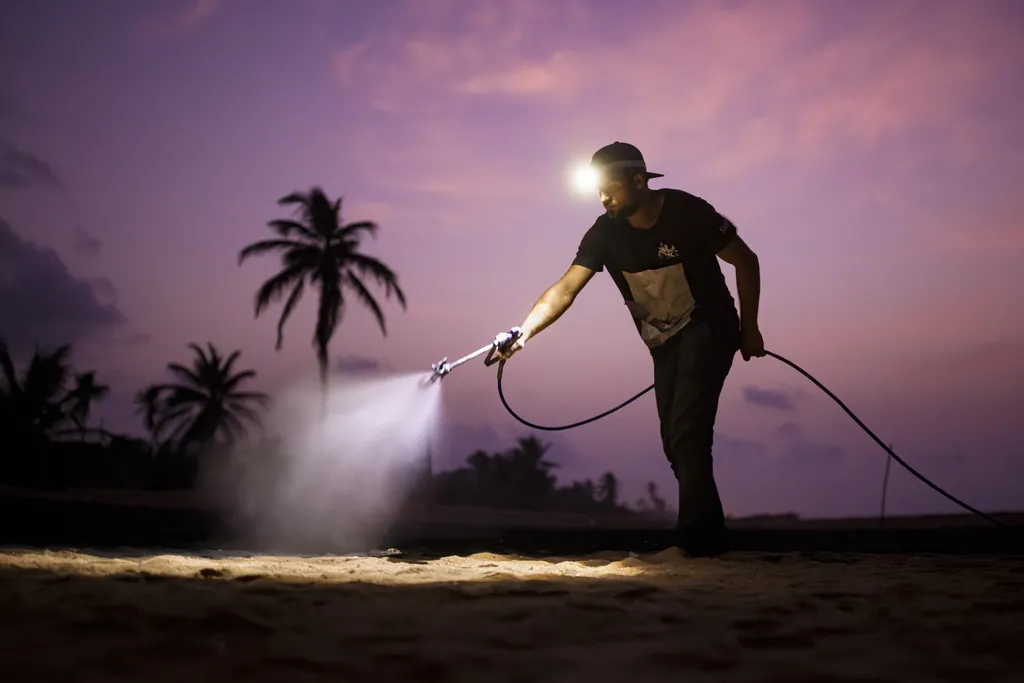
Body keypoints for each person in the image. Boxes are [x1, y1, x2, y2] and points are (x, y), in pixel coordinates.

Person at [496, 141, 765, 557]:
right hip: (663, 341)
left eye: (611, 189)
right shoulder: (604, 233)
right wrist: (524, 332)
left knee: (688, 433)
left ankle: (697, 544)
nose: (603, 199)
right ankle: (709, 537)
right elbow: (566, 288)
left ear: (639, 182)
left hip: (710, 328)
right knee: (674, 443)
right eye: (597, 191)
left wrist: (750, 329)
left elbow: (746, 261)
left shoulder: (689, 213)